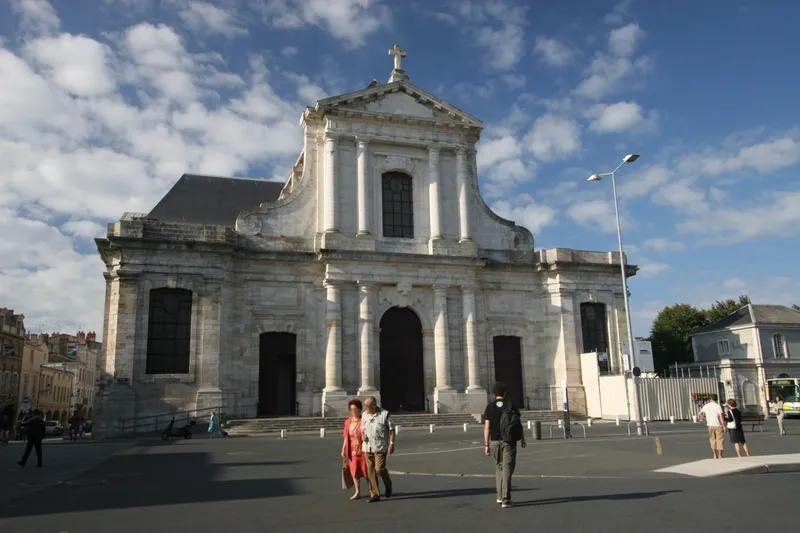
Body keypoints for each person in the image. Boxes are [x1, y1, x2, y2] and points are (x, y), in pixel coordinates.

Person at [484, 382, 526, 508]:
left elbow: (487, 427)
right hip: (509, 441)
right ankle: (506, 499)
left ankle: (499, 496)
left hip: (495, 441)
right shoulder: (510, 405)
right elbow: (517, 423)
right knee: (508, 468)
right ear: (505, 393)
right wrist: (522, 439)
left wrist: (486, 445)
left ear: (494, 393)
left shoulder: (490, 407)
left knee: (499, 467)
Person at [361, 396, 394, 503]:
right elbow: (362, 428)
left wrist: (391, 444)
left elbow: (391, 430)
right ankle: (374, 494)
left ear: (374, 405)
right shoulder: (364, 415)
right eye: (365, 406)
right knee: (370, 471)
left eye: (368, 406)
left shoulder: (385, 414)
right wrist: (362, 435)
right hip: (367, 446)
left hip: (380, 446)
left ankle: (388, 484)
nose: (366, 408)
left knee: (379, 469)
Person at [341, 399, 368, 500]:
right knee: (354, 472)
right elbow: (346, 436)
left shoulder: (364, 420)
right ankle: (357, 491)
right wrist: (343, 449)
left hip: (363, 450)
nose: (354, 412)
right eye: (351, 410)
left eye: (355, 409)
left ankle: (372, 490)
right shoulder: (348, 421)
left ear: (360, 409)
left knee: (366, 472)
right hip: (352, 451)